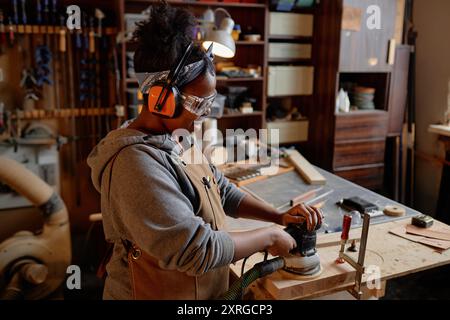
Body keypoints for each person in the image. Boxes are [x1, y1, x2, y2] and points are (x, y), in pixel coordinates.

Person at [87, 1, 322, 300]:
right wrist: (270, 237)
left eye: (209, 104)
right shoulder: (134, 163)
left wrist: (277, 217)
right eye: (198, 104)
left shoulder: (179, 136)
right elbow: (196, 250)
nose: (204, 115)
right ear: (160, 99)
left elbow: (219, 189)